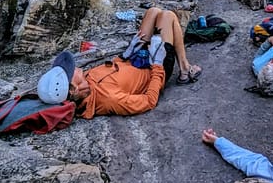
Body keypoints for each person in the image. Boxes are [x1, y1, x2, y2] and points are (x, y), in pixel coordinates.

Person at [37, 8, 203, 119]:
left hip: (136, 58)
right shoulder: (109, 100)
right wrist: (158, 64)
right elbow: (149, 101)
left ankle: (181, 65)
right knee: (168, 16)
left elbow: (111, 70)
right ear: (73, 89)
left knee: (153, 11)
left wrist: (125, 55)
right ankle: (184, 69)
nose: (74, 67)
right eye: (70, 71)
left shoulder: (86, 79)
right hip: (153, 69)